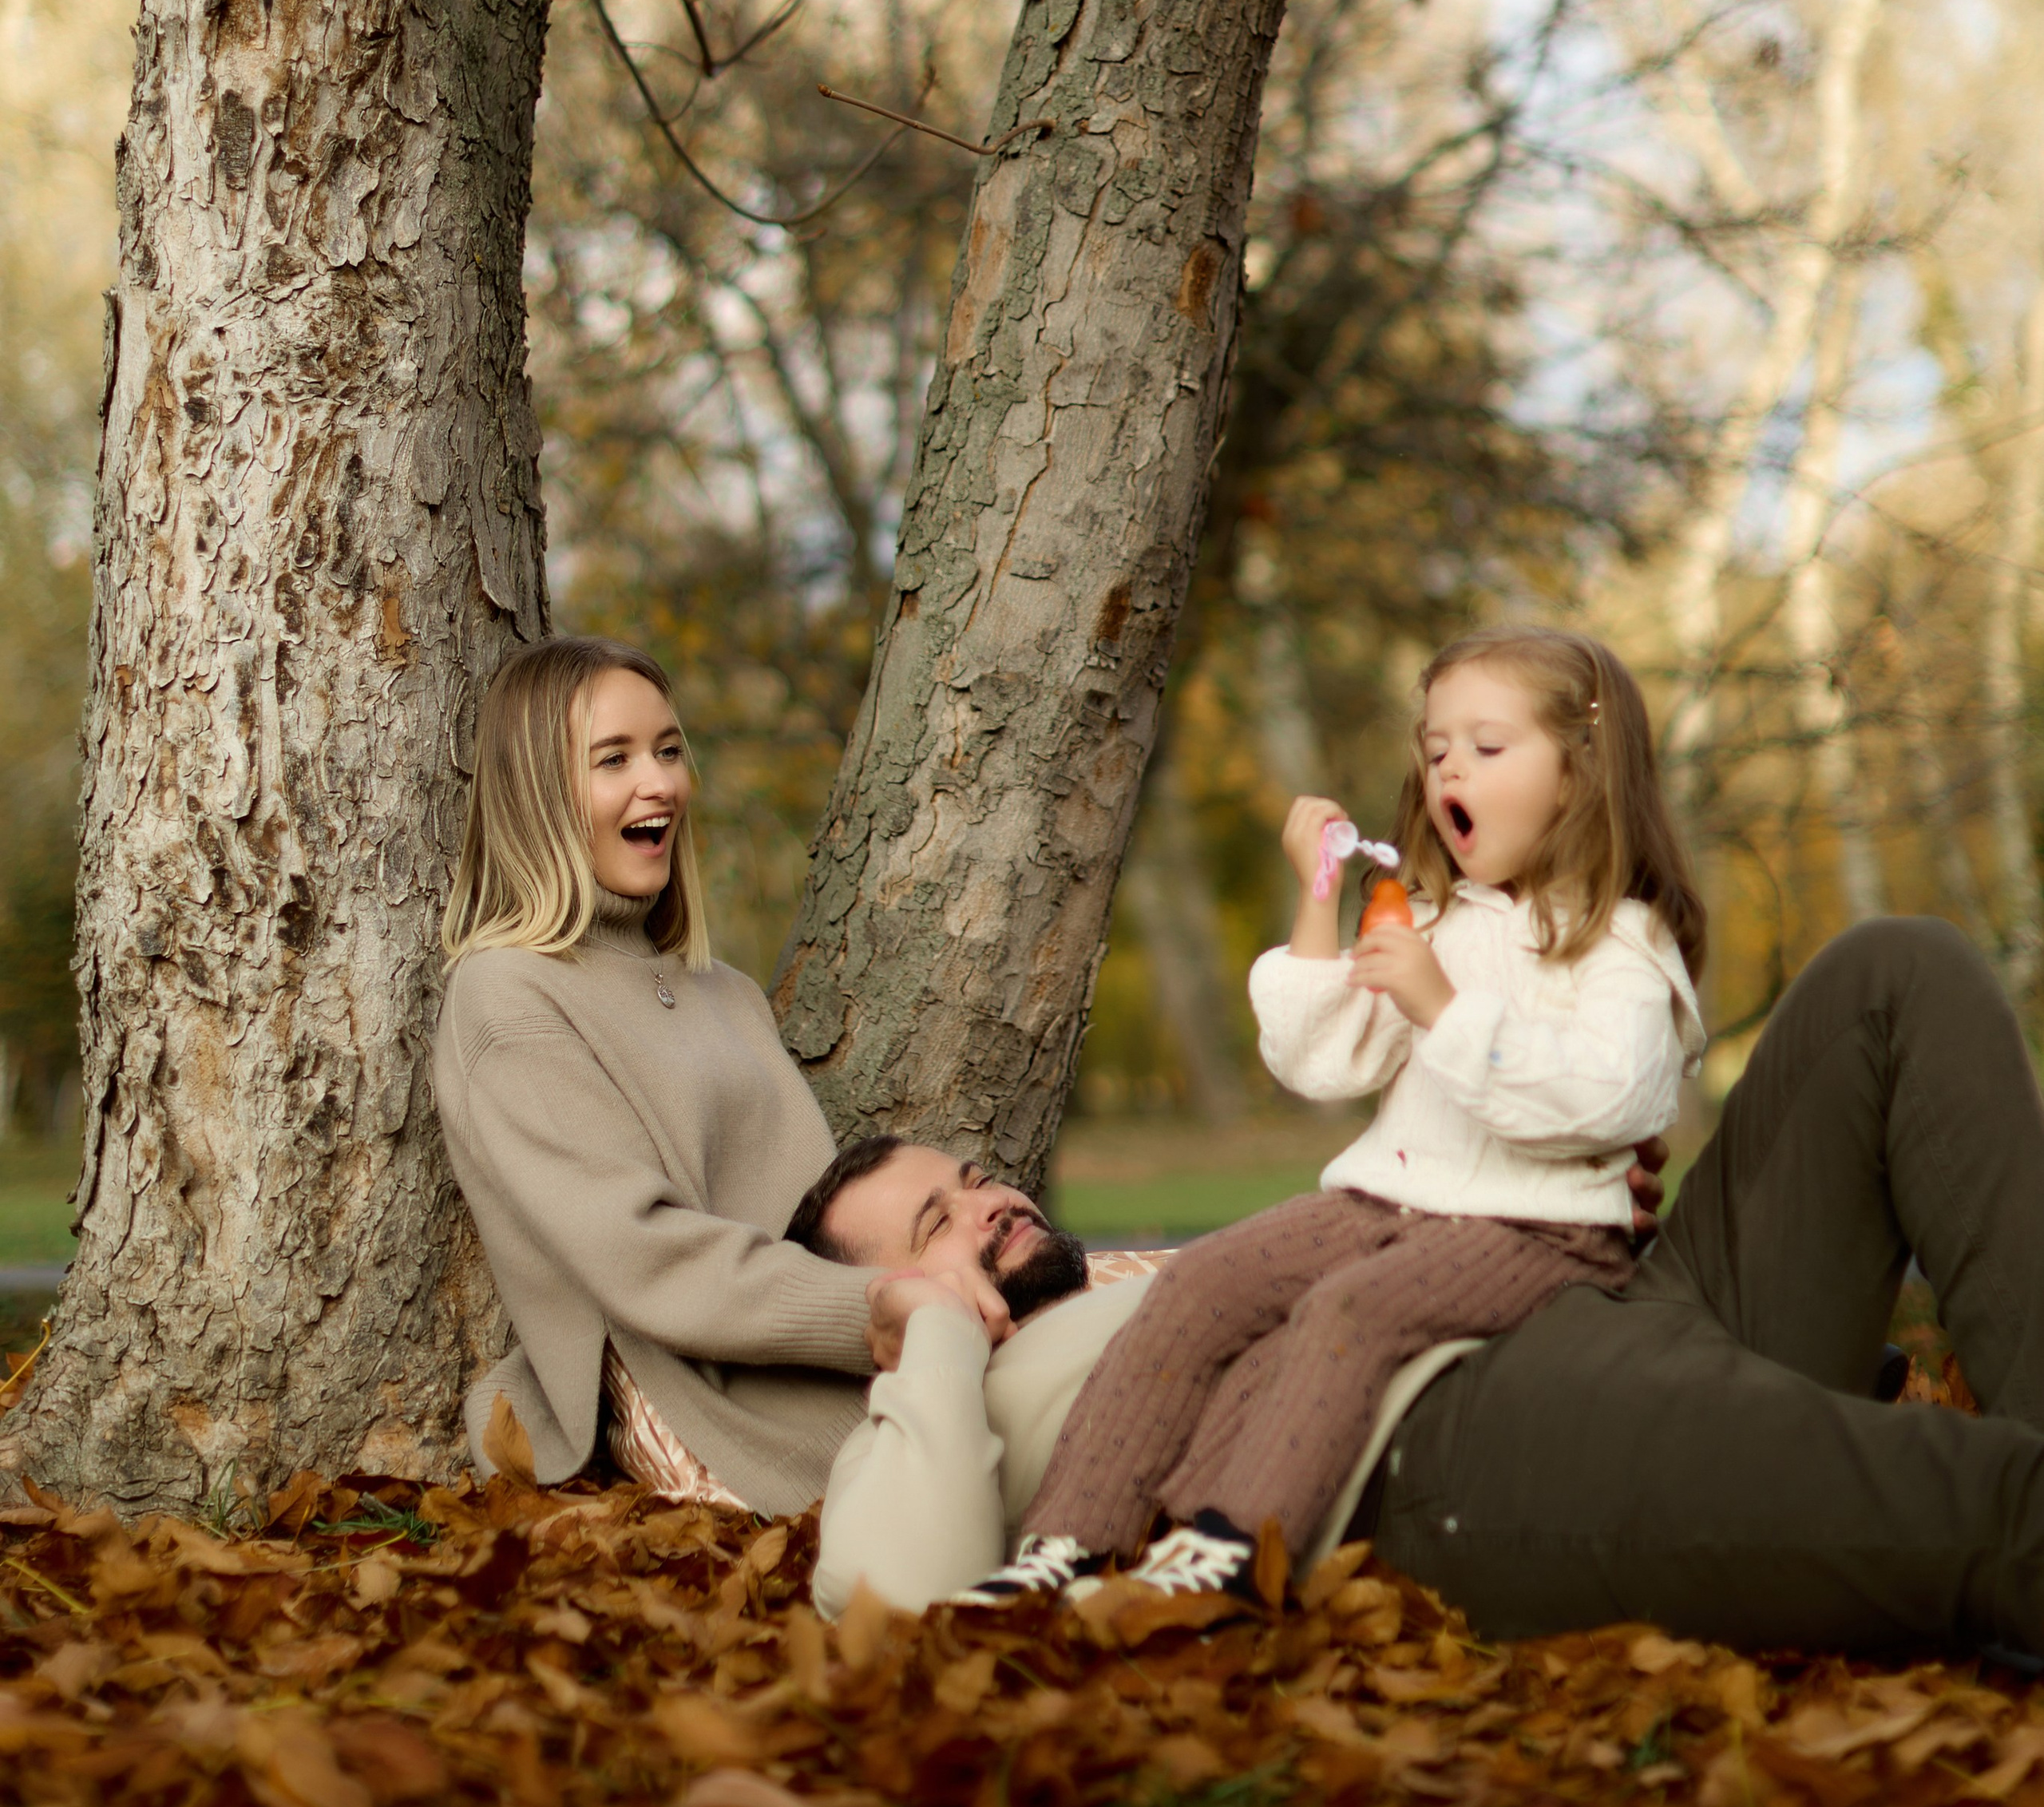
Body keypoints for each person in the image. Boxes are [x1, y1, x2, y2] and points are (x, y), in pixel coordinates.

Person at [806, 915, 2044, 1664]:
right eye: (936, 1223)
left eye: (971, 1178)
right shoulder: (917, 1423)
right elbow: (900, 1600)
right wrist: (931, 1345)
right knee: (1990, 1511)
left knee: (1894, 979)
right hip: (1472, 1439)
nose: (987, 1202)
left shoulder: (1158, 1283)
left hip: (1610, 1296)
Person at [957, 628, 1705, 1604]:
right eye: (1436, 751)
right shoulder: (1437, 920)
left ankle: (1226, 1550)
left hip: (1542, 1227)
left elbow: (1613, 1098)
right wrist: (1320, 899)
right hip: (1386, 1202)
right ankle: (1063, 1542)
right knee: (1202, 1282)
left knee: (1346, 1313)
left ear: (1579, 773)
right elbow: (1322, 1060)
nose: (1450, 772)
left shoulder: (1620, 942)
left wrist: (1441, 1006)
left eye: (1486, 747)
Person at [433, 635, 878, 1513]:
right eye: (616, 759)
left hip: (835, 1353)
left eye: (670, 751)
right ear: (537, 795)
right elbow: (645, 1256)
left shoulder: (726, 994)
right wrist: (882, 1312)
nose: (662, 783)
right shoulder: (508, 994)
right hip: (708, 1406)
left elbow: (808, 1211)